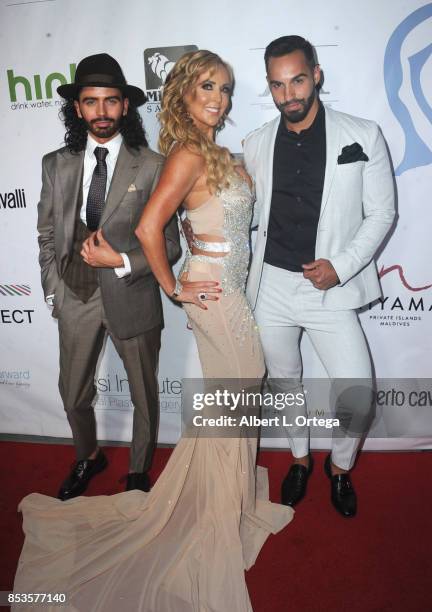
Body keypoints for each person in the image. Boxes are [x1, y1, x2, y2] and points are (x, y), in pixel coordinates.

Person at [13, 50, 293, 611]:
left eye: (227, 89)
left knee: (233, 397)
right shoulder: (188, 152)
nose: (219, 98)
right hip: (211, 296)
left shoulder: (206, 152)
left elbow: (199, 224)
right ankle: (215, 507)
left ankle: (225, 499)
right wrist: (175, 287)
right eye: (207, 87)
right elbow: (147, 228)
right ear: (184, 94)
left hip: (229, 293)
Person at [244, 35, 395, 517]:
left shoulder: (363, 134)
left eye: (298, 80)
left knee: (359, 396)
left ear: (317, 74)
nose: (289, 94)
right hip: (270, 286)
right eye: (278, 85)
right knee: (285, 381)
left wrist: (342, 266)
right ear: (269, 87)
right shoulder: (255, 143)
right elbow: (246, 215)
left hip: (330, 288)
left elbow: (382, 214)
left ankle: (340, 467)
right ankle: (300, 459)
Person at [36, 52, 180, 499]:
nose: (102, 111)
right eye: (91, 101)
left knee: (143, 394)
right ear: (77, 108)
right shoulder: (55, 163)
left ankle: (138, 471)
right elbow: (46, 233)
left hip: (131, 292)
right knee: (73, 395)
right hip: (75, 295)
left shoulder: (153, 165)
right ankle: (87, 456)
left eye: (111, 101)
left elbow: (170, 244)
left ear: (125, 106)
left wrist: (119, 262)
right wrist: (53, 291)